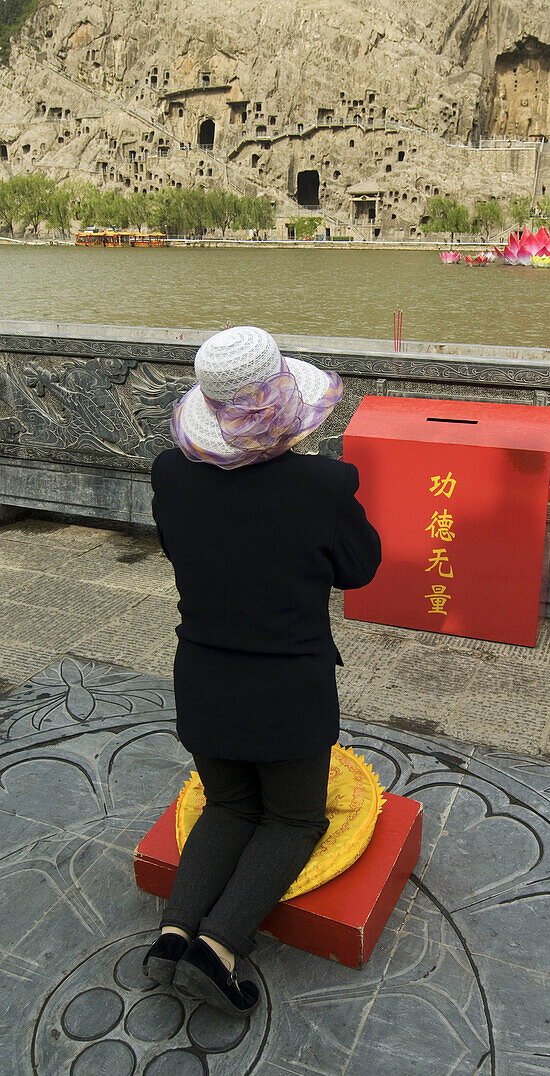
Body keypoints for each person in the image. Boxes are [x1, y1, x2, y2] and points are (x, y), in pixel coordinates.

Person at [141, 326, 381, 1017]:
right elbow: (360, 571)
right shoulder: (324, 485)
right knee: (293, 819)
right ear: (286, 408)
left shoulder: (170, 473)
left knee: (228, 805)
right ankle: (217, 947)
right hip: (288, 690)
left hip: (204, 678)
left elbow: (177, 546)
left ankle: (171, 936)